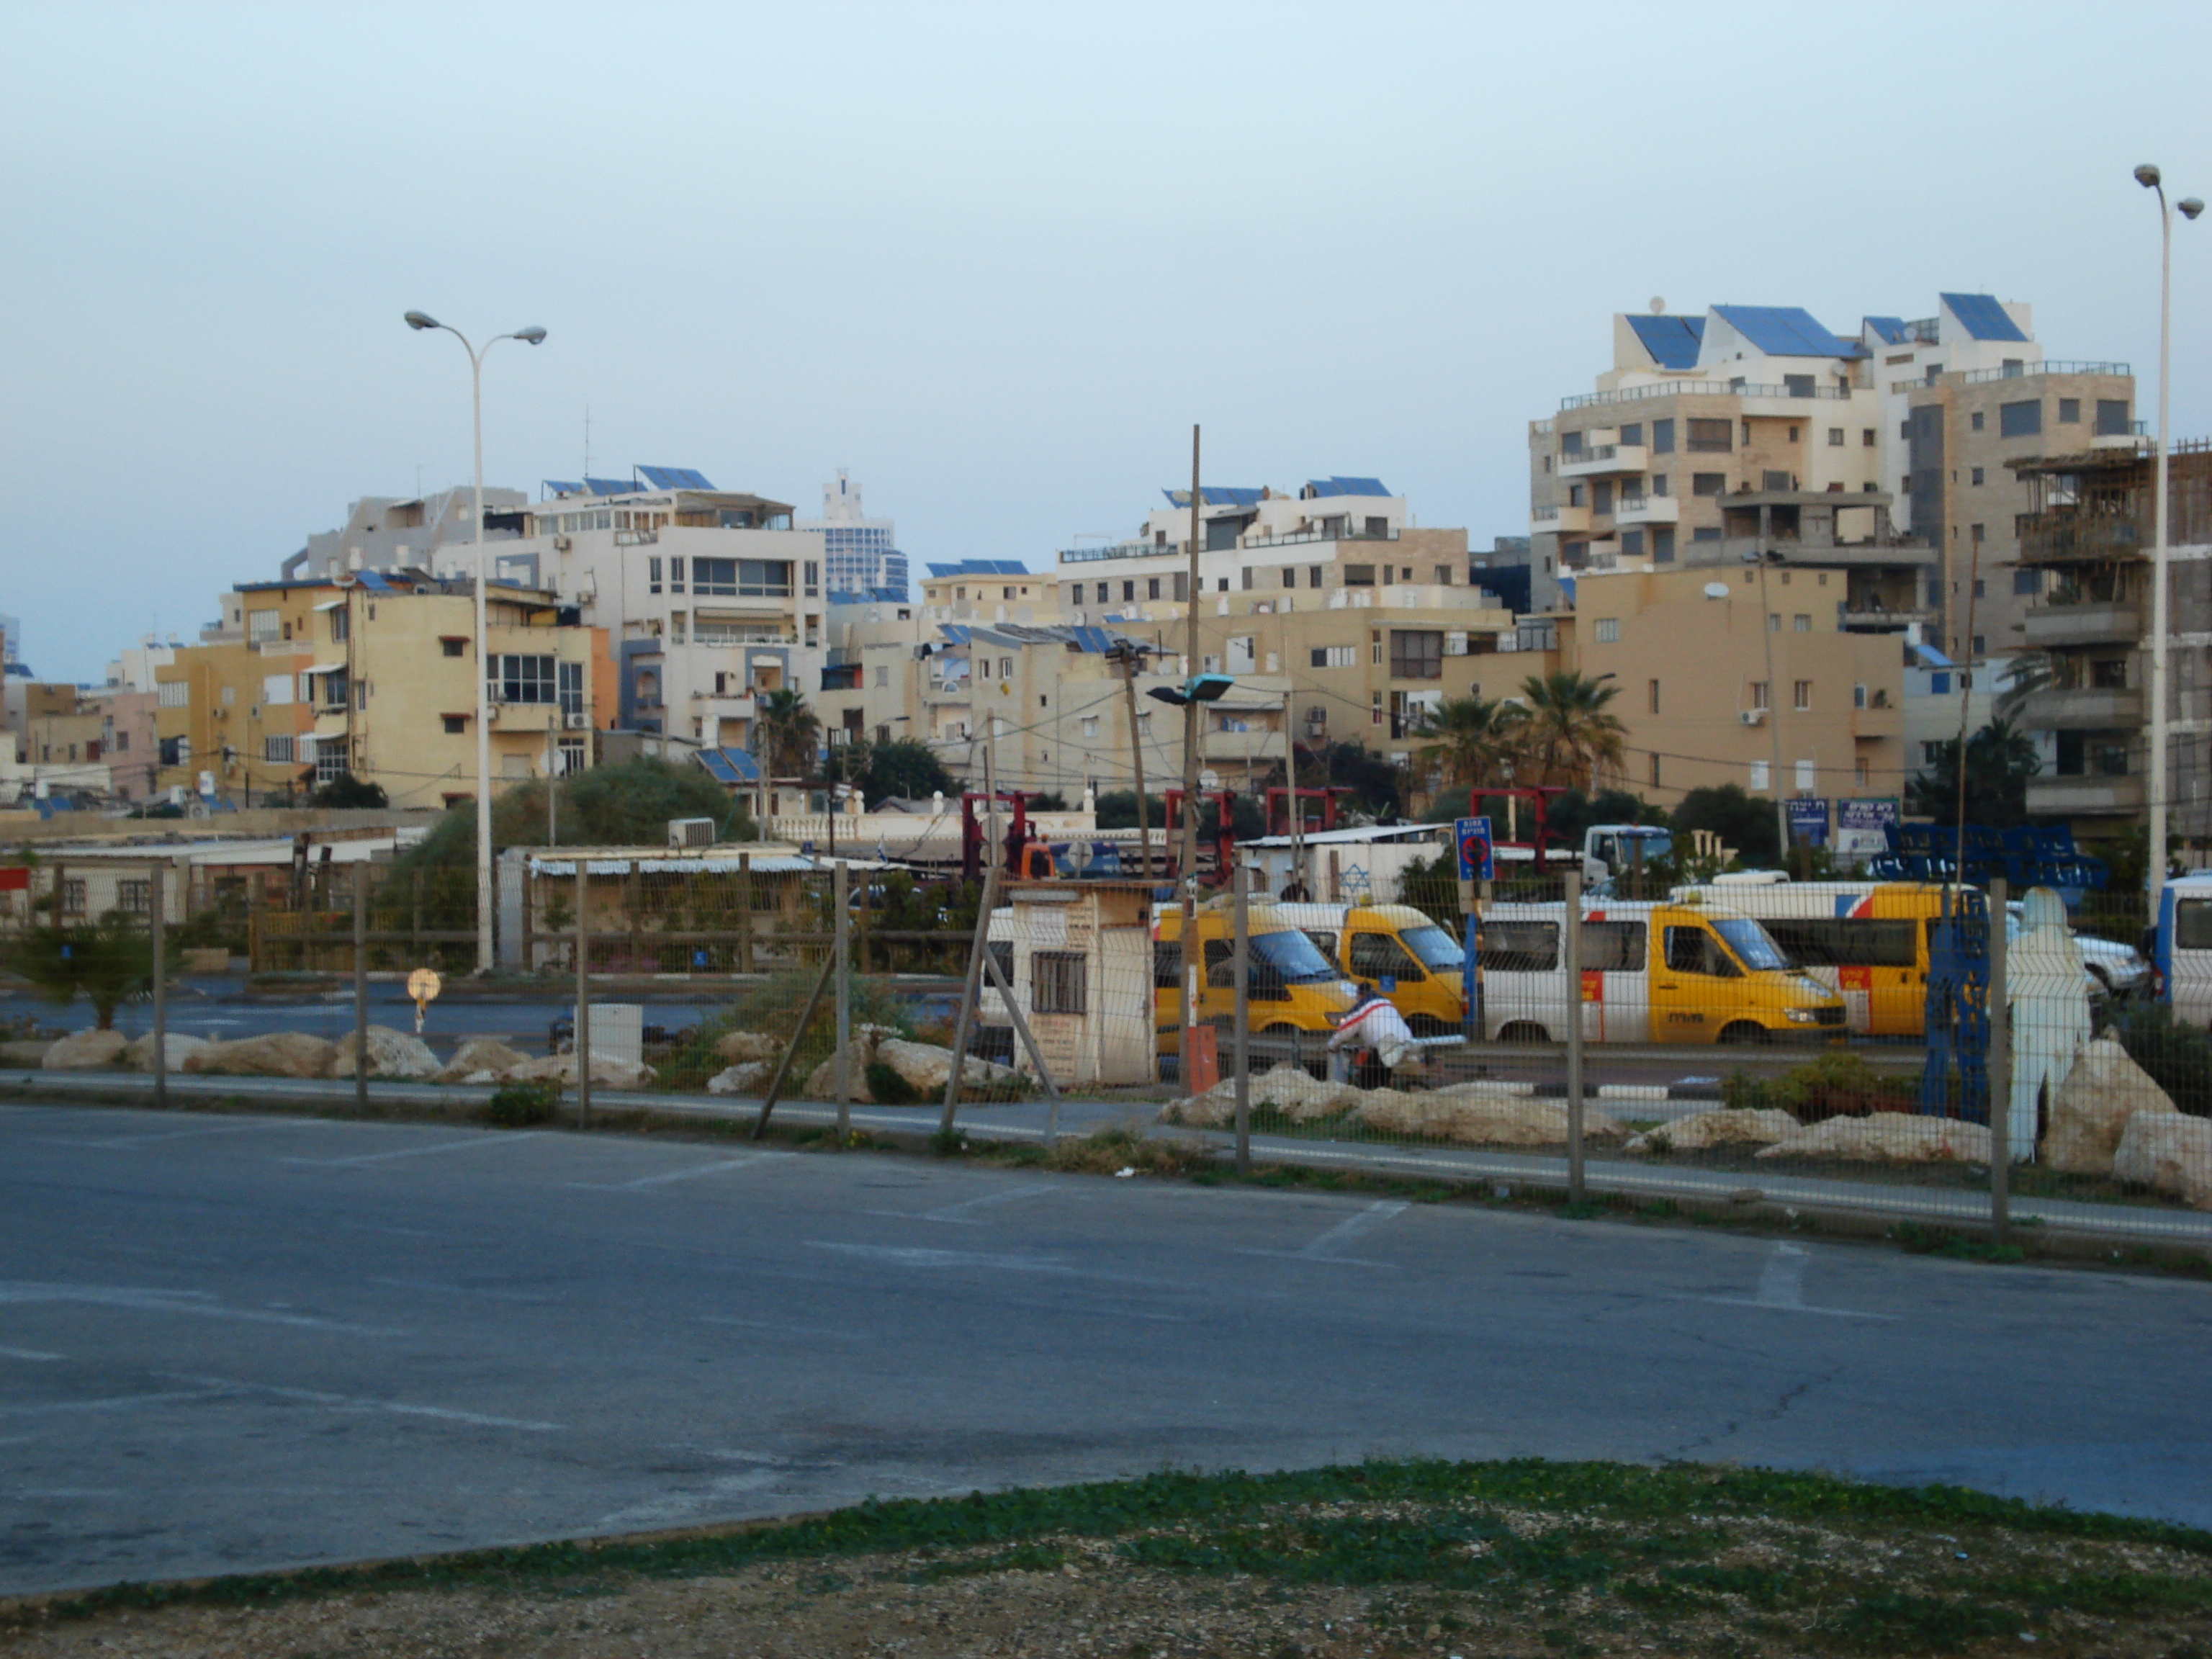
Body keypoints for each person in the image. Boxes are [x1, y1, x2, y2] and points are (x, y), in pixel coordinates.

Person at [1326, 988, 1421, 1089]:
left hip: (1386, 1044)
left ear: (1360, 996)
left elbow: (1347, 1028)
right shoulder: (1387, 1002)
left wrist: (1332, 1045)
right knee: (1384, 1073)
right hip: (1407, 1040)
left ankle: (1369, 1095)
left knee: (1367, 1079)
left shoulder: (1363, 1006)